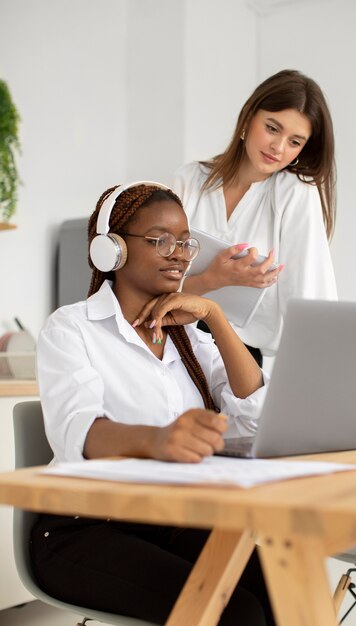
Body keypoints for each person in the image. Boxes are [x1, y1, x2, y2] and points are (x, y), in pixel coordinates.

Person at [30, 181, 276, 626]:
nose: (180, 254)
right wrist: (158, 440)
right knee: (237, 614)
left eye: (185, 242)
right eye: (161, 240)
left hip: (169, 520)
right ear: (111, 250)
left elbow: (256, 422)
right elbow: (76, 433)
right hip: (84, 527)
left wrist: (214, 317)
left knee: (281, 588)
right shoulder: (72, 329)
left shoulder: (189, 338)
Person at [173, 69, 338, 366]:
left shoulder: (295, 193)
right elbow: (150, 285)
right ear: (248, 117)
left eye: (295, 141)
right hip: (172, 344)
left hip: (238, 359)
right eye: (273, 128)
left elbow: (312, 302)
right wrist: (214, 279)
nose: (279, 147)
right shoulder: (189, 180)